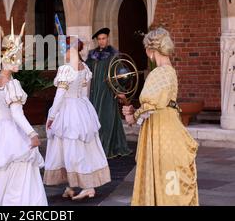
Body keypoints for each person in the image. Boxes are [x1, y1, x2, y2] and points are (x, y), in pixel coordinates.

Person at [122, 27, 199, 206]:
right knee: (169, 176)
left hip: (161, 130)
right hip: (170, 126)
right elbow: (157, 104)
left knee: (164, 175)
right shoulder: (170, 70)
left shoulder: (159, 72)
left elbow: (151, 104)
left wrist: (134, 117)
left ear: (151, 51)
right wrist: (135, 112)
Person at [0, 18, 48, 206]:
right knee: (19, 176)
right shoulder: (12, 84)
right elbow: (17, 114)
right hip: (11, 133)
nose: (20, 61)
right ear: (8, 58)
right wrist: (32, 134)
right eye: (17, 57)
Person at [43, 36, 111, 200]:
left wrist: (51, 116)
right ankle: (72, 186)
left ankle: (88, 187)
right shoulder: (84, 67)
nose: (62, 53)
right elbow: (84, 93)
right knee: (72, 148)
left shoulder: (67, 69)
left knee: (73, 149)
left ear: (71, 50)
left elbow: (59, 96)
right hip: (81, 108)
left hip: (69, 110)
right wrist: (85, 113)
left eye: (63, 49)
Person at [85, 27, 132, 158]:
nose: (101, 41)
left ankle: (106, 147)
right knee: (96, 118)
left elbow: (119, 73)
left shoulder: (113, 55)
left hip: (108, 91)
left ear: (107, 39)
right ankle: (98, 147)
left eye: (103, 38)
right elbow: (85, 70)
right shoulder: (92, 55)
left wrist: (119, 90)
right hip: (95, 91)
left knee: (107, 118)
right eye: (99, 39)